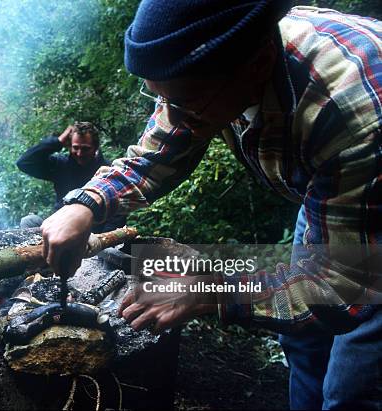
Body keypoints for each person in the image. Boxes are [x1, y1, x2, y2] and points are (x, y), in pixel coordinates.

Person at [41, 1, 381, 409]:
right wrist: (86, 205)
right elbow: (160, 149)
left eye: (182, 101)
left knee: (351, 390)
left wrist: (209, 290)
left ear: (257, 66)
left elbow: (343, 283)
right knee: (304, 342)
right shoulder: (212, 60)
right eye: (160, 97)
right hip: (336, 191)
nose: (174, 115)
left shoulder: (355, 116)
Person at [17, 121, 126, 233]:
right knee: (29, 221)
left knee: (118, 250)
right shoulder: (60, 165)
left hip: (91, 237)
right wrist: (58, 141)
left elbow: (118, 214)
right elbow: (24, 163)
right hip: (58, 229)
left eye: (85, 148)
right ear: (69, 146)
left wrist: (100, 240)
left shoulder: (108, 171)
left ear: (95, 147)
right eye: (75, 147)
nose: (79, 153)